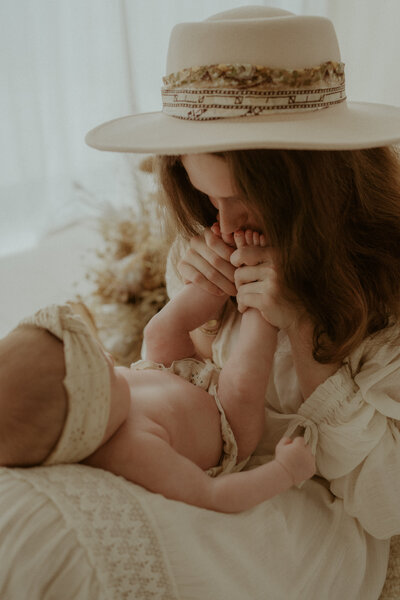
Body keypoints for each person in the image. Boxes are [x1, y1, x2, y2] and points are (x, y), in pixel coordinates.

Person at [84, 5, 400, 599]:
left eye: (242, 197)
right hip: (215, 473)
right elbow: (203, 383)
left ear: (314, 185)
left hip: (316, 518)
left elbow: (389, 507)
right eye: (208, 200)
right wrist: (201, 302)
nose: (223, 226)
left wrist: (306, 331)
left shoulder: (386, 284)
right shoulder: (210, 242)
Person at [0, 271, 315, 512]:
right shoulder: (133, 453)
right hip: (225, 423)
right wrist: (285, 470)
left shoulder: (107, 406)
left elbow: (137, 372)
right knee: (242, 381)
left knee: (157, 333)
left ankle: (220, 275)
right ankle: (261, 306)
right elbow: (213, 496)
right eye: (105, 372)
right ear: (89, 420)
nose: (110, 358)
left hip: (170, 374)